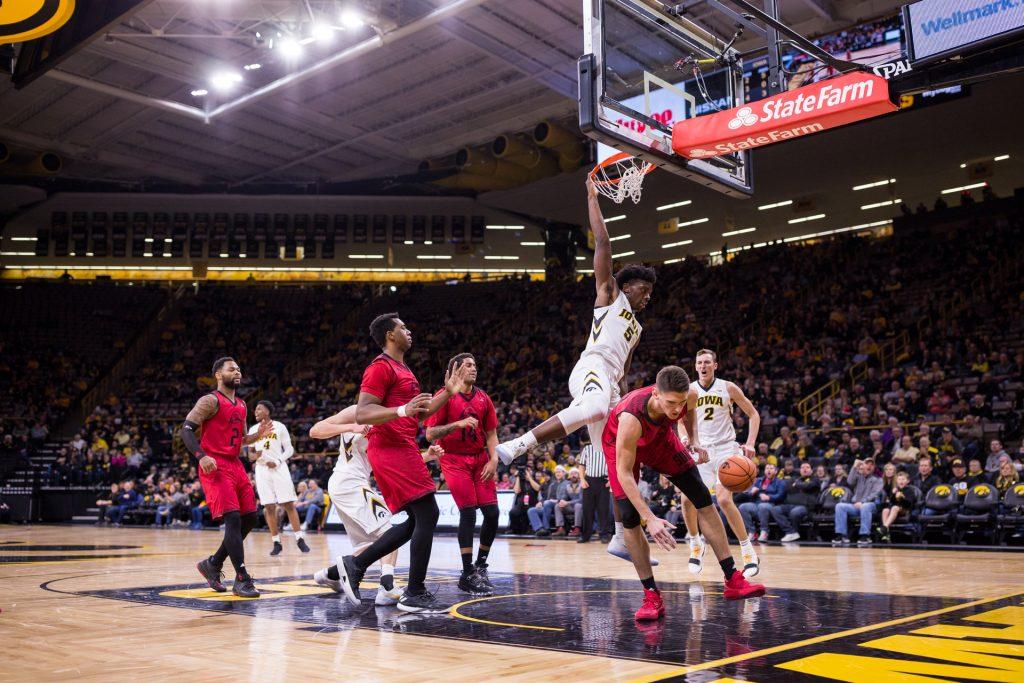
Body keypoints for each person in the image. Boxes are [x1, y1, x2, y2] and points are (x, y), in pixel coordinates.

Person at [496, 178, 657, 564]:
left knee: (623, 459)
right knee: (598, 406)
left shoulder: (637, 327)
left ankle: (621, 536)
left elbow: (625, 369)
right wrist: (591, 199)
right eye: (643, 290)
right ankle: (516, 446)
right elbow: (603, 245)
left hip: (610, 381)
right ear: (626, 287)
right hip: (590, 369)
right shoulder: (609, 296)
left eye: (650, 294)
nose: (647, 297)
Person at [603, 365, 764, 621]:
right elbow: (624, 474)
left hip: (661, 440)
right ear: (655, 394)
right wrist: (651, 519)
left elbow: (687, 413)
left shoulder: (689, 395)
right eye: (670, 403)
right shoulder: (630, 417)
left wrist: (694, 439)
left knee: (702, 497)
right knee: (630, 518)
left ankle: (732, 578)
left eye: (679, 402)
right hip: (621, 447)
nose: (676, 409)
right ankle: (651, 596)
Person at [336, 312, 470, 614]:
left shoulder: (403, 369)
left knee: (417, 519)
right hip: (391, 448)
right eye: (403, 328)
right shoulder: (379, 368)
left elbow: (418, 415)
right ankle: (414, 591)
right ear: (389, 336)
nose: (409, 331)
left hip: (403, 446)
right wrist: (400, 410)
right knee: (428, 513)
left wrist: (447, 393)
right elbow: (363, 413)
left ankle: (355, 565)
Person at [310, 405, 442, 606]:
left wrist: (426, 456)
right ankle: (387, 587)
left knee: (372, 545)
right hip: (349, 482)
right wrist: (352, 427)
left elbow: (390, 460)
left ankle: (329, 574)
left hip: (351, 482)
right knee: (387, 531)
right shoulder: (356, 411)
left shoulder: (385, 417)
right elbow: (315, 430)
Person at [182, 357, 272, 598]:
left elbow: (240, 440)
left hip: (235, 464)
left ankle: (212, 563)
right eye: (232, 369)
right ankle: (241, 578)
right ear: (219, 375)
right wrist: (201, 456)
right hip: (214, 464)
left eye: (239, 368)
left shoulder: (242, 404)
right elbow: (187, 429)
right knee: (232, 519)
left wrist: (257, 436)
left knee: (251, 518)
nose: (238, 371)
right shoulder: (210, 400)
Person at [680, 349, 761, 577]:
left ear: (715, 365)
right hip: (701, 450)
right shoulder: (689, 391)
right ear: (695, 366)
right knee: (686, 500)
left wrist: (751, 443)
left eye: (707, 362)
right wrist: (686, 438)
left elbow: (753, 414)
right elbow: (680, 420)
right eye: (699, 362)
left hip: (726, 449)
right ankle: (696, 544)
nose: (703, 366)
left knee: (724, 499)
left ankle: (748, 552)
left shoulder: (728, 387)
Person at [424, 352, 500, 596]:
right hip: (455, 460)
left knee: (492, 512)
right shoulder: (443, 397)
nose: (473, 368)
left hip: (480, 459)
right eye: (467, 365)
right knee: (468, 513)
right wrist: (457, 424)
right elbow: (430, 434)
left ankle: (481, 565)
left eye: (475, 364)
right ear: (455, 370)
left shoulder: (484, 398)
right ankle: (466, 573)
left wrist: (495, 459)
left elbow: (491, 434)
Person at [246, 400, 309, 556]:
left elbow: (289, 449)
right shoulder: (253, 429)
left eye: (259, 409)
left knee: (288, 504)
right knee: (269, 507)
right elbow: (250, 455)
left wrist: (278, 460)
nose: (256, 411)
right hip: (261, 470)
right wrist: (255, 456)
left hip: (279, 467)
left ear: (267, 411)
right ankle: (276, 542)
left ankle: (299, 538)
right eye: (255, 409)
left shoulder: (279, 426)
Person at [832, 458, 883, 546]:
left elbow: (875, 494)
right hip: (856, 505)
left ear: (874, 467)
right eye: (867, 463)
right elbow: (849, 481)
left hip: (871, 506)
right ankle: (841, 535)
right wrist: (854, 467)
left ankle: (865, 536)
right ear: (863, 466)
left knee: (865, 506)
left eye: (871, 464)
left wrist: (862, 502)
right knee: (839, 506)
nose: (869, 466)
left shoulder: (878, 480)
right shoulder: (859, 477)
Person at [772, 461, 820, 542]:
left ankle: (792, 533)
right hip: (790, 505)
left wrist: (796, 484)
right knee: (775, 509)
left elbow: (808, 485)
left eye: (807, 467)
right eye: (802, 467)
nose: (804, 469)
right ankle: (790, 532)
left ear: (811, 470)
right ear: (800, 470)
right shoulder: (796, 479)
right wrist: (796, 484)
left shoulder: (815, 479)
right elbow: (787, 487)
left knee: (795, 512)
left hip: (805, 507)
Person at [577, 440, 613, 544]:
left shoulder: (608, 447)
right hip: (589, 481)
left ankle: (604, 535)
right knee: (587, 510)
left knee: (603, 510)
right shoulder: (587, 448)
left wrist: (611, 479)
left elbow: (613, 464)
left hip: (603, 481)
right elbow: (581, 465)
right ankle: (585, 536)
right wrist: (582, 479)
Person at [738, 463, 785, 542]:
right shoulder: (759, 480)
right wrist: (752, 492)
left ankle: (764, 531)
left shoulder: (780, 482)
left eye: (771, 468)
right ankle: (751, 532)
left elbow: (781, 495)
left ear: (776, 471)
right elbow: (750, 494)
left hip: (772, 505)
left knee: (762, 506)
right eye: (767, 468)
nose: (769, 470)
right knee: (743, 507)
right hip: (757, 504)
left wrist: (769, 497)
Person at [879, 470, 919, 542]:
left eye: (903, 479)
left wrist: (902, 498)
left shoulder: (910, 490)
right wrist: (893, 495)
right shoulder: (896, 490)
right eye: (899, 479)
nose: (901, 481)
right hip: (895, 510)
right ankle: (886, 533)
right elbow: (891, 502)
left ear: (908, 481)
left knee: (895, 508)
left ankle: (884, 527)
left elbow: (909, 504)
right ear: (897, 481)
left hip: (905, 510)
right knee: (885, 510)